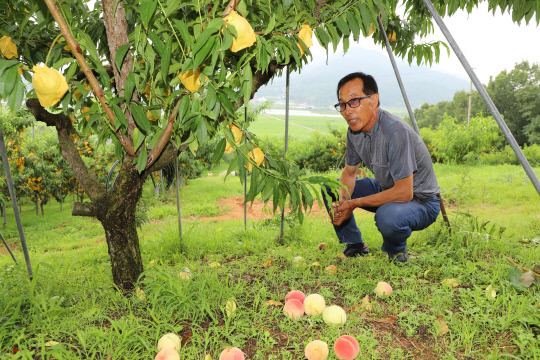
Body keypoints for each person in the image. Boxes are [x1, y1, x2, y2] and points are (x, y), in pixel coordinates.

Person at [323, 72, 441, 263]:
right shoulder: (354, 131)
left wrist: (353, 204)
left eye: (354, 101)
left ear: (373, 100)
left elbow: (404, 193)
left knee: (387, 216)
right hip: (387, 189)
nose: (347, 110)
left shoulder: (395, 132)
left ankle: (397, 252)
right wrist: (343, 203)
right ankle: (355, 245)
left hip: (421, 202)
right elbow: (349, 173)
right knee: (330, 187)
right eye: (342, 104)